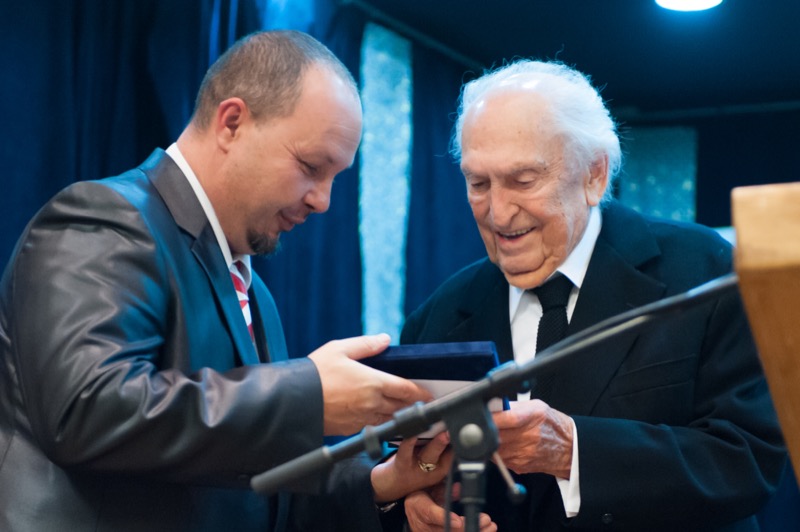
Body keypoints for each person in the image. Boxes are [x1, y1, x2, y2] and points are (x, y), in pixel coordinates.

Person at [0, 30, 450, 532]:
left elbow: (256, 495)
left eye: (334, 178)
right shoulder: (105, 218)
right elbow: (86, 411)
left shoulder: (257, 294)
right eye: (310, 167)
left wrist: (380, 482)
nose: (322, 200)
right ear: (231, 123)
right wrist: (307, 395)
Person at [396, 60, 787, 531]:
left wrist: (574, 451)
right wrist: (413, 503)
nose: (497, 213)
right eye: (478, 184)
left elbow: (747, 460)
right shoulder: (437, 316)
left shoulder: (706, 272)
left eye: (523, 181)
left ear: (594, 175)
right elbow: (408, 460)